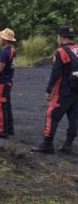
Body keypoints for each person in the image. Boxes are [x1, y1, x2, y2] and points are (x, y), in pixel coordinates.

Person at [31, 26, 77, 154]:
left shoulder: (61, 52)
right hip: (76, 90)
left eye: (57, 37)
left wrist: (48, 89)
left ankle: (47, 145)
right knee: (74, 118)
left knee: (52, 116)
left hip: (63, 91)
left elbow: (55, 73)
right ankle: (68, 145)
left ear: (62, 37)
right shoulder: (77, 49)